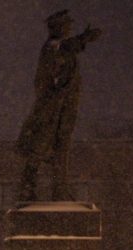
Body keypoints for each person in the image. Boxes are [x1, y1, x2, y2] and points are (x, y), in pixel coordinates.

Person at [16, 9, 101, 202]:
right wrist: (83, 38)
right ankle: (30, 188)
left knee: (58, 148)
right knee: (41, 148)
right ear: (58, 27)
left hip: (62, 108)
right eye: (67, 25)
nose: (69, 28)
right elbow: (65, 48)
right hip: (52, 109)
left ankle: (58, 189)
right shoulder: (53, 46)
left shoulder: (58, 47)